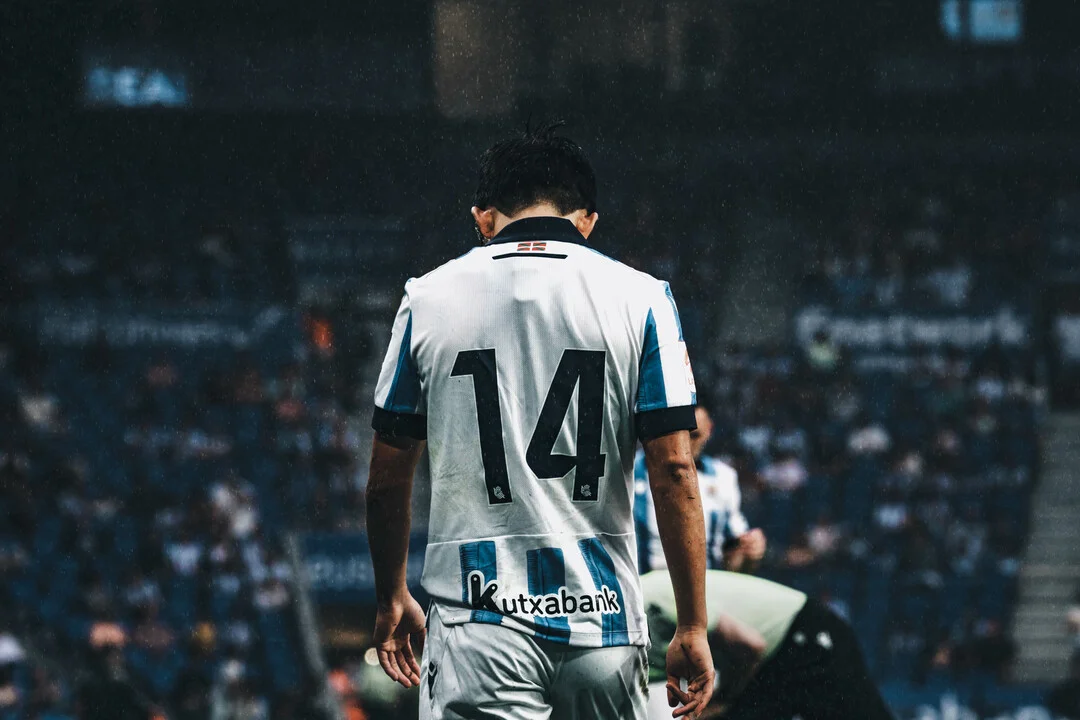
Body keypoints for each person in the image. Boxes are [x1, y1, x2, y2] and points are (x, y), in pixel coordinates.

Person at [365, 122, 714, 720]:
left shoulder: (427, 298)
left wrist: (391, 592)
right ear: (587, 221)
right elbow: (675, 469)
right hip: (603, 621)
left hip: (478, 621)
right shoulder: (644, 298)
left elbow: (387, 478)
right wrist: (692, 624)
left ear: (482, 218)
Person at [641, 569, 894, 720]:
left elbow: (751, 646)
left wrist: (723, 700)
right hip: (776, 659)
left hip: (803, 635)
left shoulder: (650, 597)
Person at [635, 405, 766, 573]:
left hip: (706, 586)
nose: (683, 446)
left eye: (694, 435)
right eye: (675, 435)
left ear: (709, 430)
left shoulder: (723, 478)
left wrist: (750, 552)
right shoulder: (628, 471)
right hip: (641, 586)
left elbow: (733, 563)